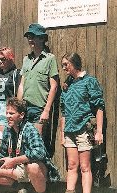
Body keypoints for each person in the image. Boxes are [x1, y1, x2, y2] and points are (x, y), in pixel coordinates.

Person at [0, 97, 60, 193]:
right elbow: (2, 155)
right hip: (17, 167)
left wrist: (14, 160)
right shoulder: (8, 129)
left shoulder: (30, 129)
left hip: (34, 168)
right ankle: (19, 186)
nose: (8, 116)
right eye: (7, 113)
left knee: (32, 167)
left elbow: (39, 153)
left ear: (21, 115)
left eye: (12, 113)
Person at [60, 53, 105, 193]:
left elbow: (99, 107)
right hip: (69, 131)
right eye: (62, 65)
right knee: (72, 165)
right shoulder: (67, 85)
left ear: (74, 63)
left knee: (85, 167)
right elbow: (64, 112)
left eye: (66, 64)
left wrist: (99, 131)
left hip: (84, 129)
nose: (63, 68)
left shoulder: (89, 81)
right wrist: (62, 134)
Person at [17, 23, 59, 143]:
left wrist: (46, 110)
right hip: (25, 107)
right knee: (24, 142)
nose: (30, 39)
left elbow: (54, 87)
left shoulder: (50, 59)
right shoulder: (26, 59)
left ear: (42, 38)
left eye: (33, 36)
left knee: (36, 143)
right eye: (28, 36)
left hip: (39, 108)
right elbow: (21, 84)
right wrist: (19, 107)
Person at [0, 47, 21, 132]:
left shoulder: (15, 73)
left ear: (9, 59)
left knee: (3, 135)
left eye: (3, 59)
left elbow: (18, 91)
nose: (0, 62)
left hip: (5, 105)